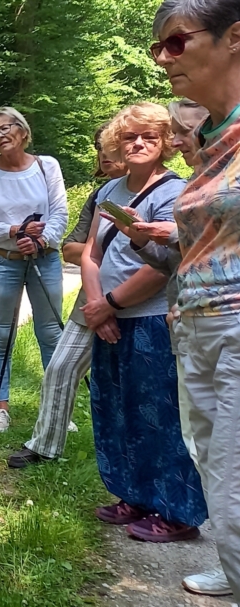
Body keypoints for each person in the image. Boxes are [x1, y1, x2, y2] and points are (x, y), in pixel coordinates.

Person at [109, 98, 226, 595]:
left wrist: (111, 300)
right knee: (188, 431)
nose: (176, 142)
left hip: (201, 320)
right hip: (191, 319)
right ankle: (152, 503)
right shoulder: (198, 183)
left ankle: (179, 511)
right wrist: (142, 239)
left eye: (180, 133)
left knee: (191, 432)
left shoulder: (196, 185)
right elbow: (176, 260)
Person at [79, 102, 205, 542]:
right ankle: (132, 495)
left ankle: (176, 511)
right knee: (115, 410)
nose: (137, 144)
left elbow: (166, 264)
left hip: (150, 319)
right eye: (129, 136)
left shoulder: (175, 192)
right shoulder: (110, 189)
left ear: (165, 143)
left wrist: (109, 304)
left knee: (160, 416)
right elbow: (90, 253)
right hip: (108, 319)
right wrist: (96, 307)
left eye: (149, 137)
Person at [152, 0, 240, 594]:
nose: (163, 58)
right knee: (211, 459)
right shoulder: (211, 138)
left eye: (177, 42)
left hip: (235, 324)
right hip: (196, 324)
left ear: (234, 37)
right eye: (158, 47)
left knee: (233, 478)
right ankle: (233, 568)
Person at [7, 123, 127, 468]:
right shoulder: (103, 194)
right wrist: (100, 289)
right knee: (60, 367)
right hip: (93, 298)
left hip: (142, 302)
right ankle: (44, 445)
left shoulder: (166, 190)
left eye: (110, 147)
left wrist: (102, 254)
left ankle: (131, 454)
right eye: (98, 148)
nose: (103, 155)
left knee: (130, 382)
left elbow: (155, 258)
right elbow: (73, 249)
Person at [0, 107, 68, 432]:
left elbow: (59, 213)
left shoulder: (46, 166)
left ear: (23, 131)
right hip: (3, 261)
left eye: (5, 128)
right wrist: (14, 231)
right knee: (1, 333)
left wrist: (41, 241)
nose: (0, 135)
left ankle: (57, 409)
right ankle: (0, 408)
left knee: (51, 331)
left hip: (45, 258)